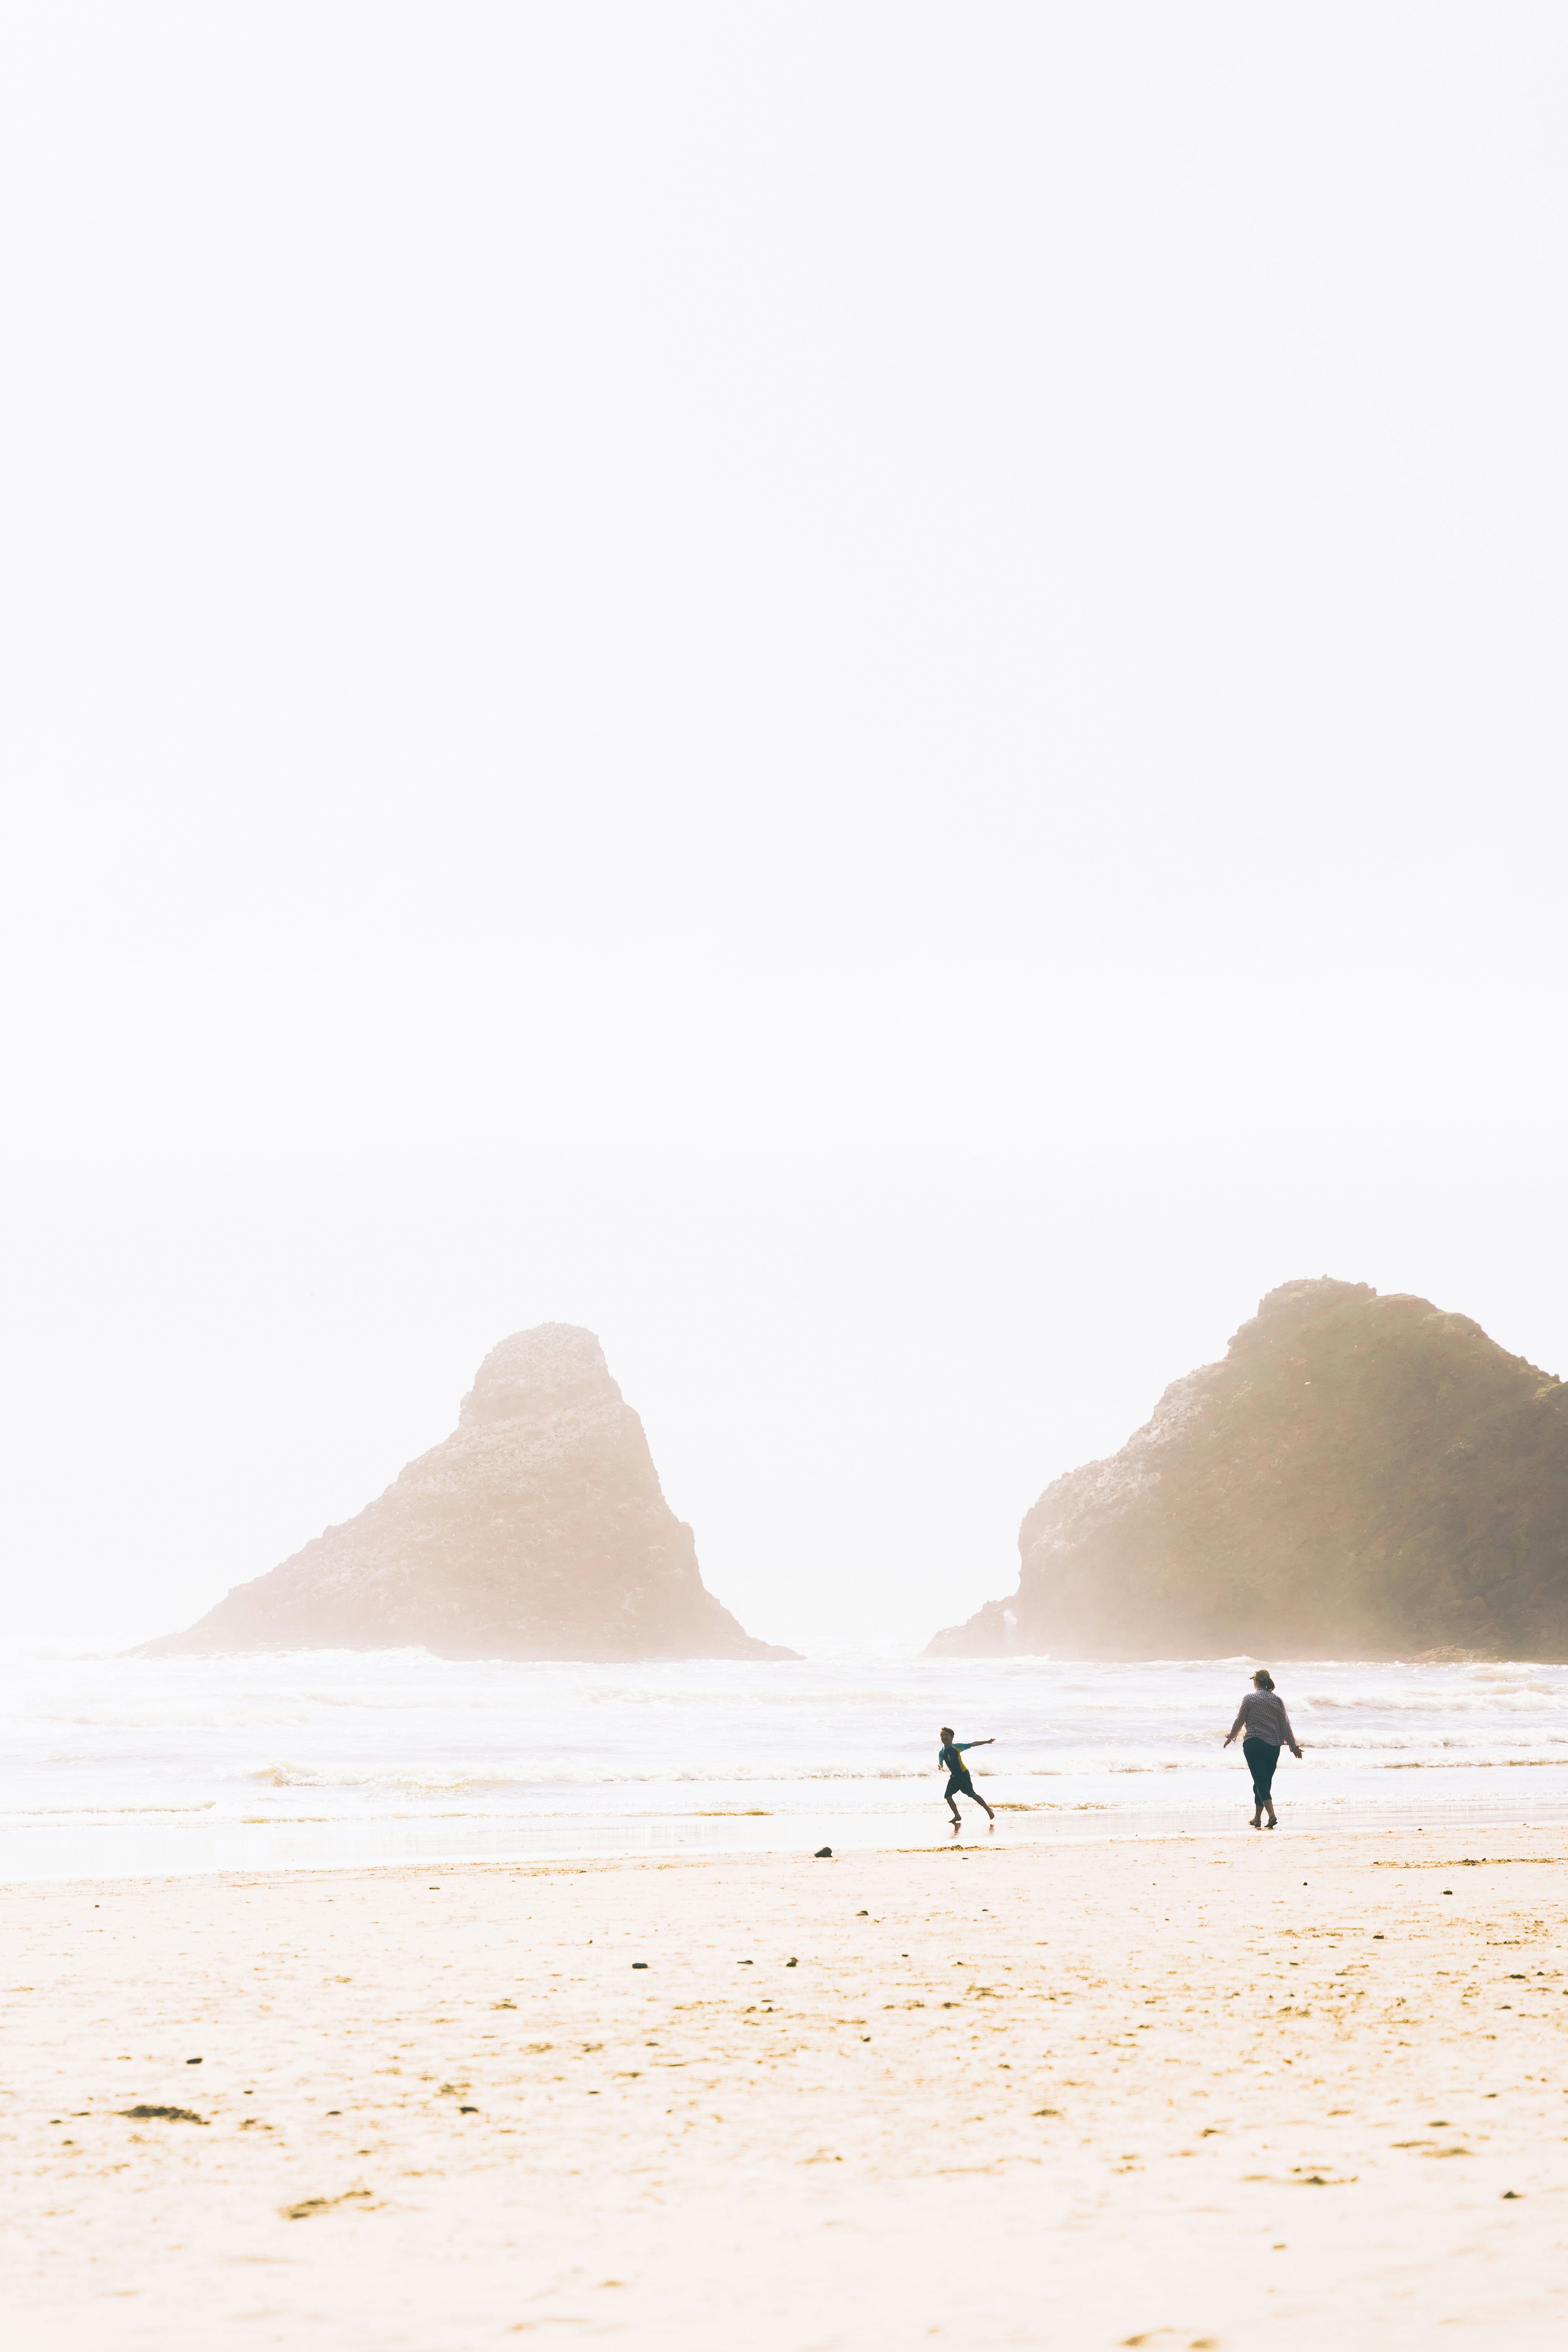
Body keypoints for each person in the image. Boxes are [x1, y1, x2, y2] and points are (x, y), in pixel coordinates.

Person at [1223, 1669, 1302, 1829]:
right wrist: (1294, 1747)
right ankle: (1257, 1819)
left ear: (1256, 1682)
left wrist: (1231, 1736)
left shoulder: (1250, 1698)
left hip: (1254, 1744)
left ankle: (1272, 1815)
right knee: (1264, 1782)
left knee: (1260, 1781)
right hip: (1273, 1747)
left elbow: (1240, 1719)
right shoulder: (1278, 1700)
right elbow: (1285, 1725)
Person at [937, 1725, 996, 1832]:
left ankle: (988, 1810)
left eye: (946, 1735)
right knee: (948, 1796)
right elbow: (940, 1761)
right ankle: (957, 1816)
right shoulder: (942, 1752)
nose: (944, 1737)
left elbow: (972, 1744)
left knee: (972, 1794)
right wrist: (940, 1766)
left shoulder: (957, 1747)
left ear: (952, 1737)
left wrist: (987, 1742)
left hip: (963, 1775)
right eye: (942, 1736)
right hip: (954, 1777)